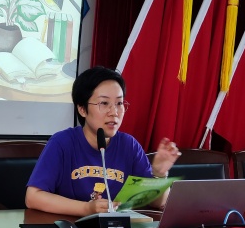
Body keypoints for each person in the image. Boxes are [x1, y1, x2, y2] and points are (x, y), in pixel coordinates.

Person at [25, 66, 181, 216]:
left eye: (119, 103)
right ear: (82, 109)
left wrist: (160, 174)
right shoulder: (62, 143)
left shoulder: (129, 146)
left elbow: (157, 202)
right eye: (104, 103)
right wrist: (86, 208)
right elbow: (33, 197)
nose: (114, 112)